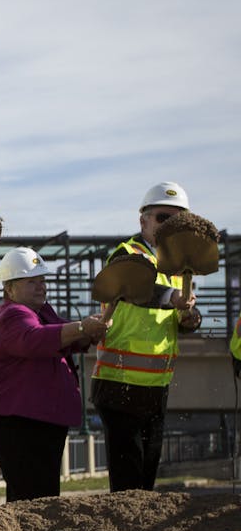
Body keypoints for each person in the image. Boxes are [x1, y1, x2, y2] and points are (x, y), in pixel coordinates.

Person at [91, 181, 203, 492]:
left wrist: (190, 318)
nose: (171, 226)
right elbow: (135, 287)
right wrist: (172, 298)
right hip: (120, 382)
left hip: (156, 387)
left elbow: (178, 318)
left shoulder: (178, 267)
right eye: (163, 218)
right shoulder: (127, 254)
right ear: (143, 221)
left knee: (146, 483)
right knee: (129, 486)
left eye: (178, 220)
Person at [0, 247, 108, 501]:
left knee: (39, 494)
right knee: (34, 496)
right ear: (10, 289)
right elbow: (35, 339)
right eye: (32, 282)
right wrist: (83, 327)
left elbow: (62, 335)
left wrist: (86, 332)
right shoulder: (13, 315)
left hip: (35, 420)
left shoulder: (41, 311)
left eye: (43, 281)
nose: (41, 287)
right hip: (19, 422)